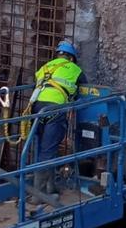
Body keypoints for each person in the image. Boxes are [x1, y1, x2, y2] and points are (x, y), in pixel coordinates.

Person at [29, 40, 87, 193]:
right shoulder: (75, 69)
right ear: (72, 58)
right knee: (47, 152)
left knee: (42, 148)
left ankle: (50, 187)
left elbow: (36, 83)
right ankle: (39, 194)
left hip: (36, 109)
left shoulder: (45, 67)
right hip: (55, 109)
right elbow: (85, 88)